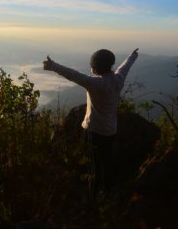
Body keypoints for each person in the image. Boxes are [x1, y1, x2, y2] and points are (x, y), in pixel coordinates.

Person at [43, 48, 139, 201]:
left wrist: (53, 66)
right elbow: (125, 66)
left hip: (94, 131)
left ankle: (92, 199)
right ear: (110, 65)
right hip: (110, 130)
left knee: (94, 166)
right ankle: (108, 192)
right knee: (106, 161)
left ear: (95, 67)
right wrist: (133, 55)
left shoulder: (94, 83)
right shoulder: (118, 79)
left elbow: (73, 75)